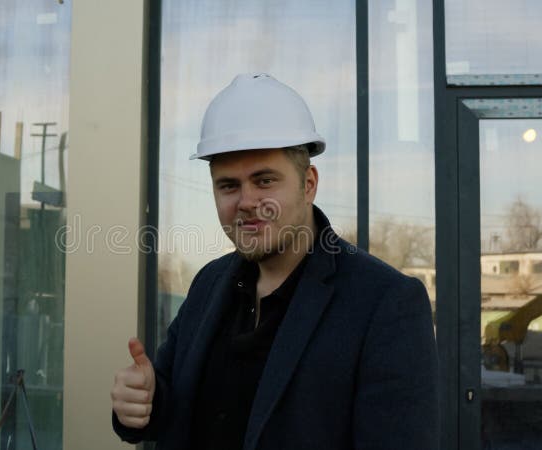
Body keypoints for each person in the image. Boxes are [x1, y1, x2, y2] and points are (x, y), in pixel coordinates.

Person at [110, 73, 438, 450]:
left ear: (308, 184)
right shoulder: (208, 284)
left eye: (264, 181)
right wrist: (142, 405)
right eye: (228, 185)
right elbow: (175, 409)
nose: (246, 202)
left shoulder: (385, 303)